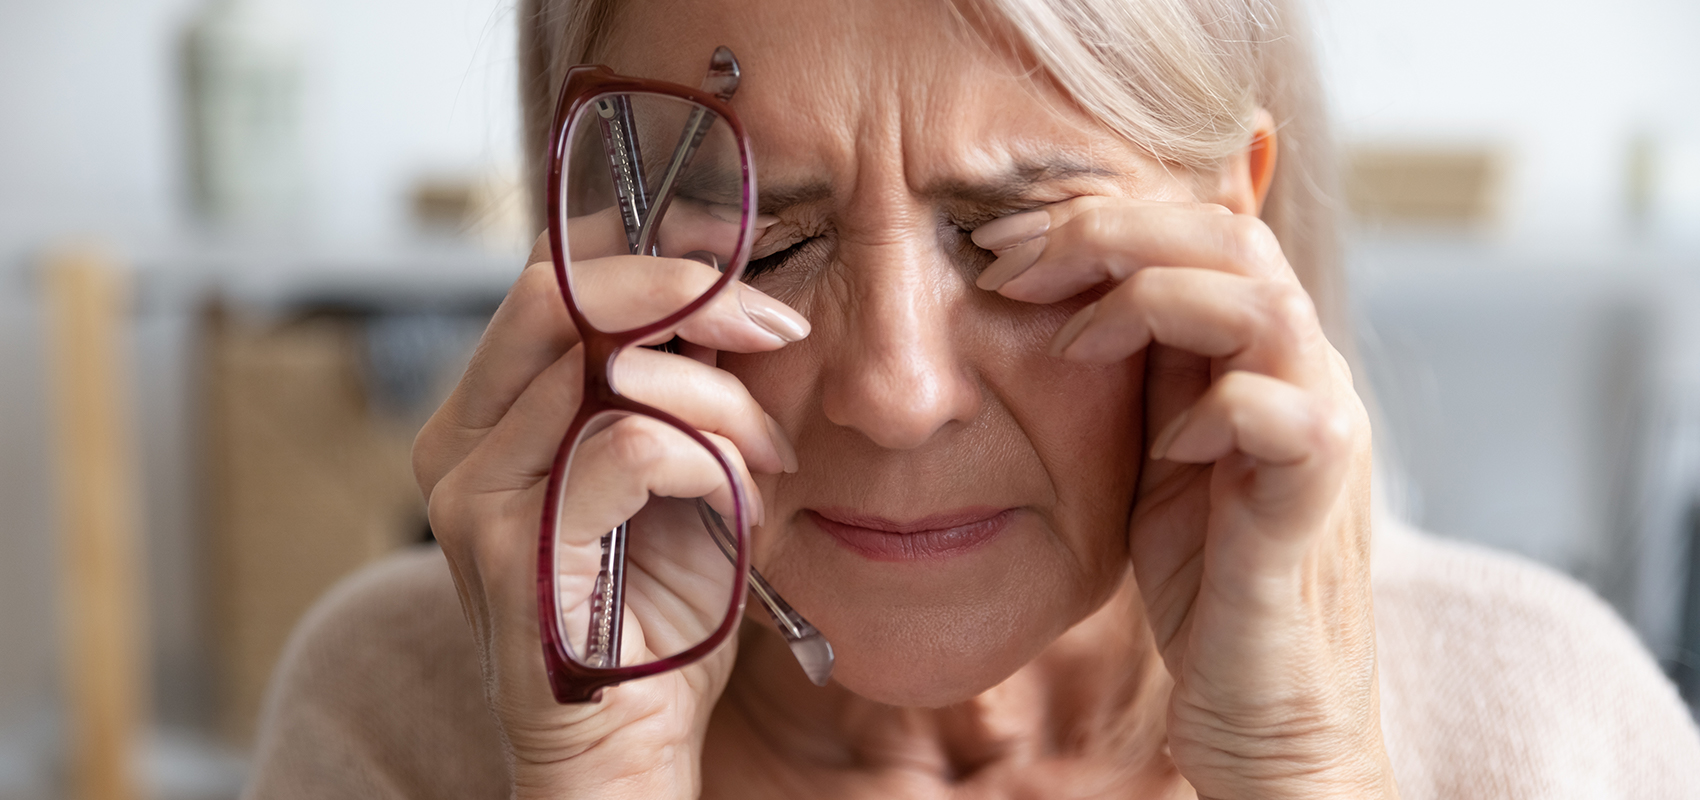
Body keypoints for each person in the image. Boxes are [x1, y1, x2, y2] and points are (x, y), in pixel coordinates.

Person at [243, 0, 1700, 796]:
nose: (896, 391)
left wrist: (1305, 778)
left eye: (1019, 243)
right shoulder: (404, 719)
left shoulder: (1542, 729)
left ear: (1231, 230)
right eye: (766, 240)